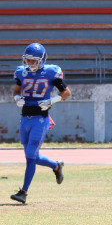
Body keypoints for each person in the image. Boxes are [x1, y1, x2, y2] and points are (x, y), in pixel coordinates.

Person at [11, 43, 71, 204]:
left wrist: (52, 100)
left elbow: (66, 92)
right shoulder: (21, 72)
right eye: (27, 59)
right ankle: (56, 166)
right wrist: (16, 98)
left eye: (33, 60)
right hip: (25, 117)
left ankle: (23, 192)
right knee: (32, 156)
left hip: (40, 118)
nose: (29, 63)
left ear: (41, 60)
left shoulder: (50, 72)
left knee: (30, 156)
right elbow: (16, 90)